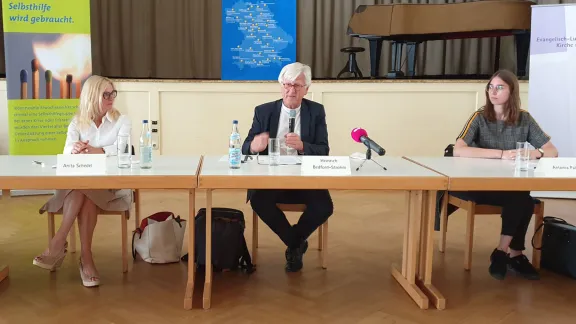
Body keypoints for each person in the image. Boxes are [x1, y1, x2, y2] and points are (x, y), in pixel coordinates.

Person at [452, 69, 558, 281]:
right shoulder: (480, 117)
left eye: (500, 87)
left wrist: (535, 153)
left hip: (508, 187)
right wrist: (501, 154)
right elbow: (458, 149)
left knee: (521, 196)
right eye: (491, 87)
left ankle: (503, 251)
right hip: (477, 185)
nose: (494, 92)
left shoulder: (524, 119)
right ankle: (513, 254)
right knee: (522, 198)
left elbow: (552, 151)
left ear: (512, 91)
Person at [33, 75, 132, 287]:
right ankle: (86, 258)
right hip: (80, 186)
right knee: (82, 190)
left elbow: (124, 150)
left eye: (112, 93)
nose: (110, 98)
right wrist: (75, 149)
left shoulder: (121, 121)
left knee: (82, 189)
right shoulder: (77, 122)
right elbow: (66, 151)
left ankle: (58, 243)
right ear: (91, 96)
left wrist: (99, 151)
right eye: (105, 94)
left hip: (109, 187)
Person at [242, 62, 334, 272]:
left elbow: (323, 150)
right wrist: (254, 146)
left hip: (306, 177)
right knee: (258, 201)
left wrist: (303, 146)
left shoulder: (316, 111)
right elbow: (245, 148)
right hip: (272, 176)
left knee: (324, 207)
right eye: (288, 85)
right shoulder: (263, 111)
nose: (291, 90)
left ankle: (294, 242)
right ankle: (295, 244)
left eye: (298, 86)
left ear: (307, 89)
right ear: (281, 85)